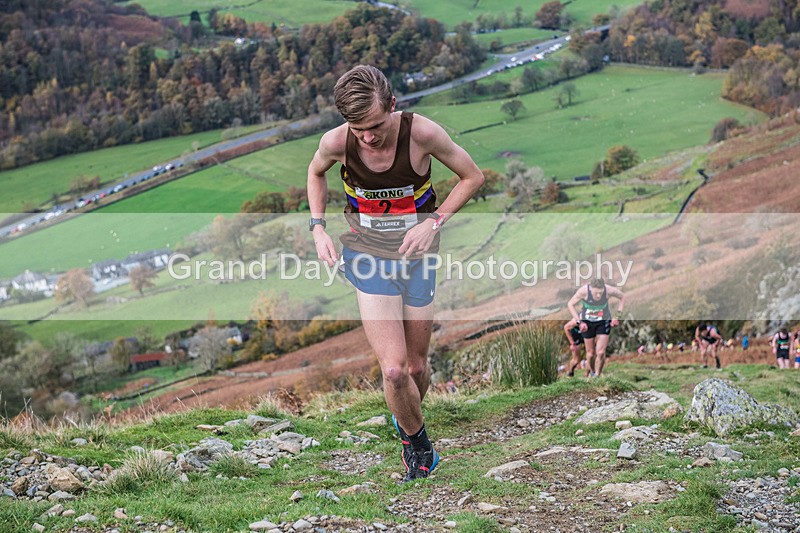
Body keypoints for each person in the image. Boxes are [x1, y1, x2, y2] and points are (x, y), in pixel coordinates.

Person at [306, 65, 484, 482]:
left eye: (373, 125)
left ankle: (404, 417)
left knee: (418, 370)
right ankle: (419, 448)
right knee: (394, 370)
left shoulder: (421, 134)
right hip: (367, 258)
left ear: (392, 106)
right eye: (357, 127)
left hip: (419, 257)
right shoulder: (336, 142)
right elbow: (315, 174)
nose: (367, 136)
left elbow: (472, 176)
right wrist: (317, 229)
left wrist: (433, 222)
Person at [567, 278, 625, 378]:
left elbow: (622, 297)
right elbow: (570, 304)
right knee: (590, 354)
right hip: (587, 323)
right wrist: (579, 322)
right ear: (590, 289)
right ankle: (593, 371)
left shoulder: (609, 290)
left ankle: (597, 376)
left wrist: (617, 317)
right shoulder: (583, 291)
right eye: (596, 293)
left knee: (601, 352)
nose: (598, 295)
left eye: (600, 293)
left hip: (603, 321)